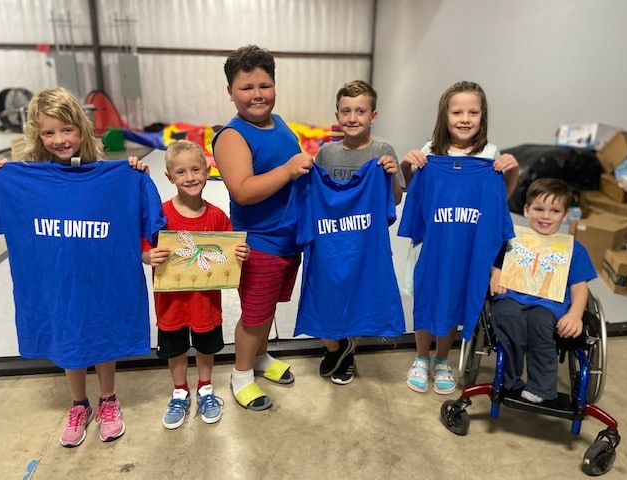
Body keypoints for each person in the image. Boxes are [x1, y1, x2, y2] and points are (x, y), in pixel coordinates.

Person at [0, 87, 164, 447]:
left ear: (82, 130)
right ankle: (78, 403)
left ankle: (109, 398)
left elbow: (147, 215)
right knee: (67, 335)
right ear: (36, 135)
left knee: (102, 331)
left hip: (99, 277)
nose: (59, 140)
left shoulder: (115, 175)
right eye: (49, 132)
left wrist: (133, 173)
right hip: (55, 281)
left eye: (67, 130)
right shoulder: (23, 180)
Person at [211, 45, 314, 411]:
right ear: (230, 92)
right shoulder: (231, 136)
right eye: (246, 87)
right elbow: (243, 190)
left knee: (268, 309)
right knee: (254, 316)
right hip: (259, 244)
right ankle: (241, 374)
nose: (257, 94)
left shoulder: (281, 123)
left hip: (288, 240)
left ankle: (260, 357)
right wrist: (288, 170)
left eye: (265, 85)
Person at [399, 81, 519, 395]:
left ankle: (442, 359)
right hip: (431, 244)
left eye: (473, 112)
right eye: (457, 112)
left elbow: (498, 202)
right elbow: (415, 191)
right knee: (427, 299)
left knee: (454, 298)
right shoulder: (430, 152)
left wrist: (512, 173)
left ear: (483, 116)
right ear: (445, 115)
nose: (465, 118)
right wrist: (407, 165)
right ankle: (421, 357)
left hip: (467, 246)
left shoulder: (490, 155)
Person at [142, 140, 250, 428]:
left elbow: (230, 249)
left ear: (207, 170)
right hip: (171, 302)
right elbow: (143, 245)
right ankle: (180, 392)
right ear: (169, 177)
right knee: (174, 348)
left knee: (206, 346)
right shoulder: (160, 216)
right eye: (181, 172)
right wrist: (146, 254)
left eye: (195, 169)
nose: (190, 177)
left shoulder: (216, 215)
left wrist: (241, 251)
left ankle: (205, 388)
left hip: (205, 300)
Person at [302, 80, 404, 385]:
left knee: (361, 294)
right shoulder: (326, 153)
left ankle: (350, 352)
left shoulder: (383, 151)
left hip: (365, 241)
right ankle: (334, 348)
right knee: (324, 292)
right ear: (337, 114)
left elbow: (395, 199)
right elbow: (314, 194)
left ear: (373, 116)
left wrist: (389, 176)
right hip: (329, 239)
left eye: (360, 111)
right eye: (345, 111)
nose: (352, 117)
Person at [489, 178, 596, 403]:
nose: (546, 216)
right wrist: (496, 274)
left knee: (539, 322)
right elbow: (496, 263)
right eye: (539, 209)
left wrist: (575, 314)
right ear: (527, 210)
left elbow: (579, 286)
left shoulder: (574, 249)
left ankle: (542, 387)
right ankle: (509, 378)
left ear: (565, 215)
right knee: (506, 315)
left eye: (554, 211)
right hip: (513, 297)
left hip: (549, 305)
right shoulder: (512, 239)